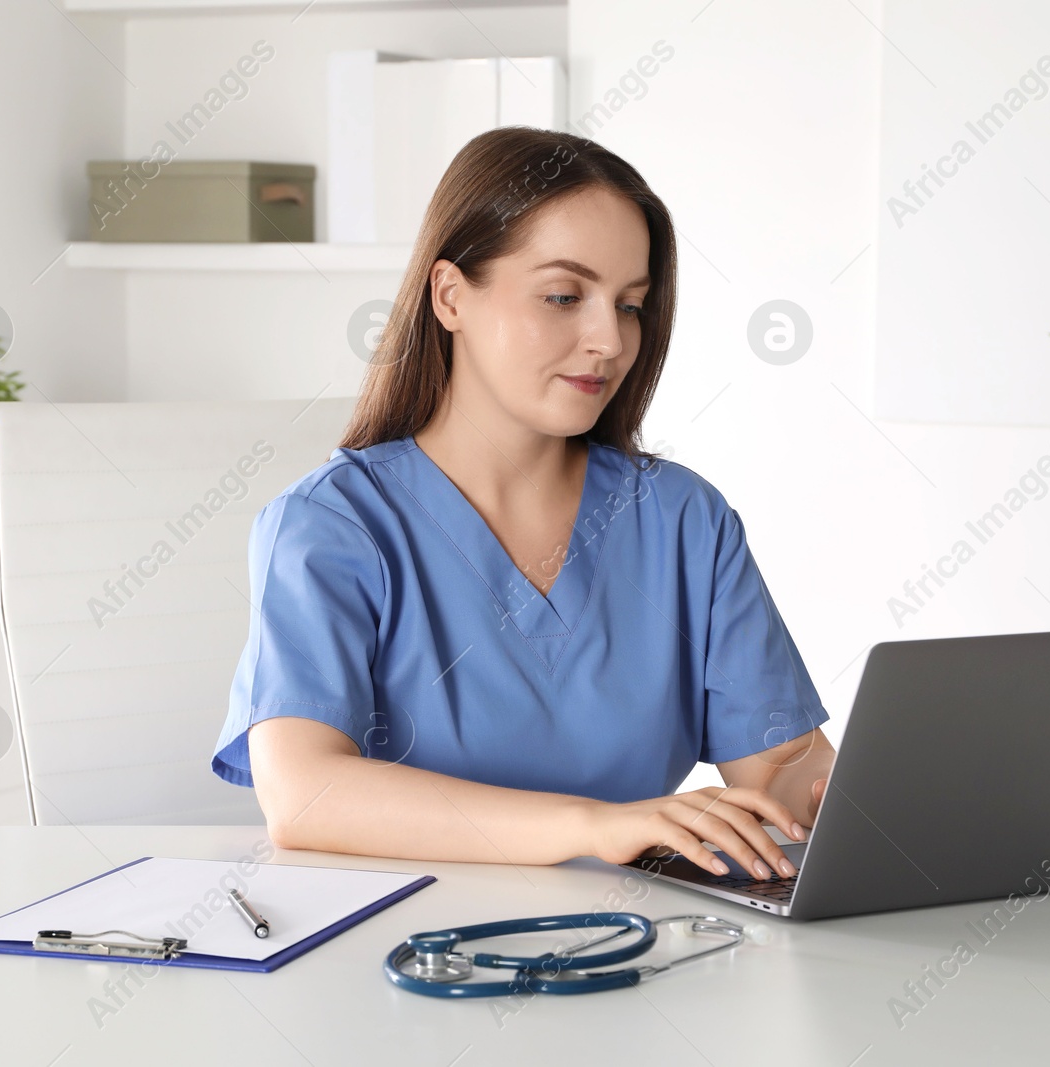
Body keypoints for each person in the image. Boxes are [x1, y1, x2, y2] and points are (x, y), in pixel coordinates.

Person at [212, 127, 835, 883]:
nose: (609, 339)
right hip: (405, 960)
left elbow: (780, 771)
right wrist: (597, 826)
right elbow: (306, 795)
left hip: (635, 955)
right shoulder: (334, 525)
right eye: (564, 296)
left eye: (630, 306)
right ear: (450, 297)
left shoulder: (683, 521)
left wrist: (853, 804)